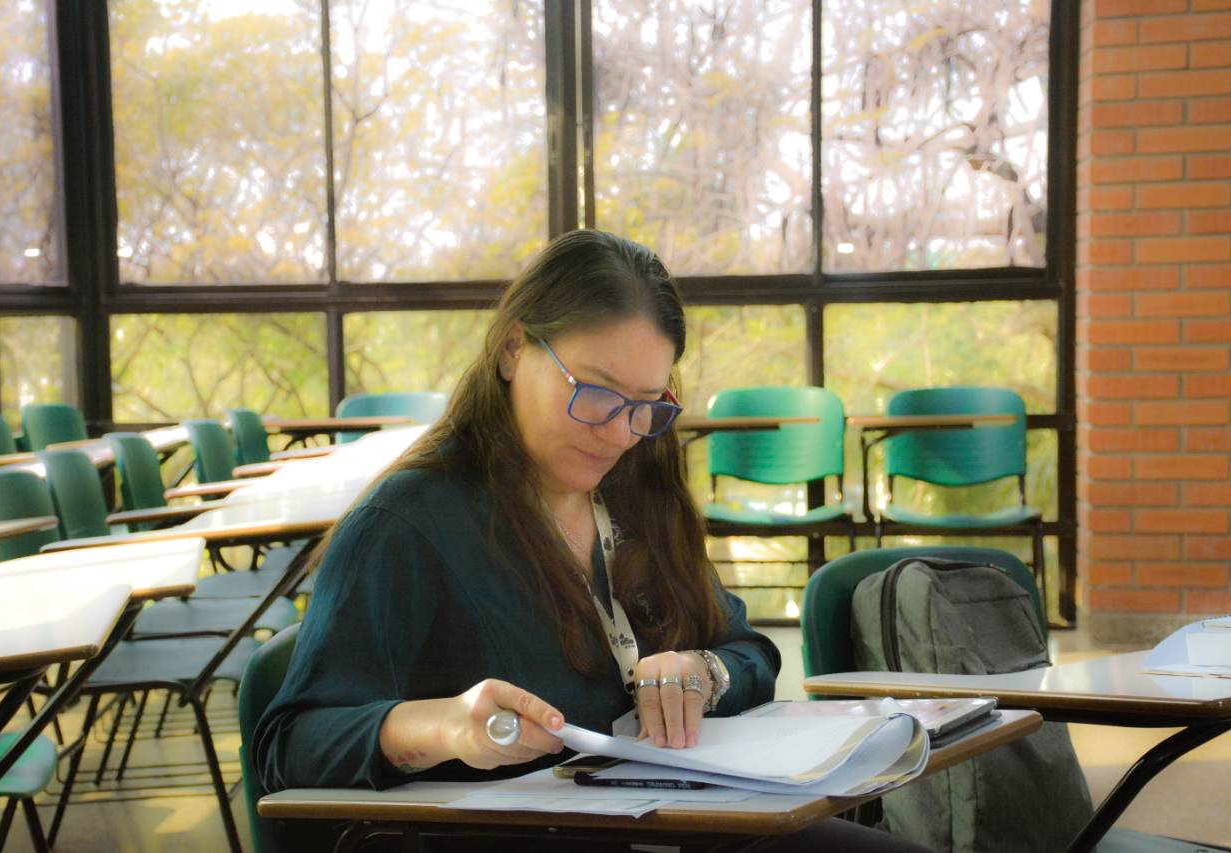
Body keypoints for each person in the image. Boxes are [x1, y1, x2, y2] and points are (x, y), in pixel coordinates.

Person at [252, 230, 927, 852]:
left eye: (647, 404)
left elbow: (749, 651)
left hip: (695, 822)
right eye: (596, 393)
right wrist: (443, 726)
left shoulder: (637, 489)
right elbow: (289, 744)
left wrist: (701, 672)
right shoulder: (410, 522)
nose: (620, 431)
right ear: (513, 349)